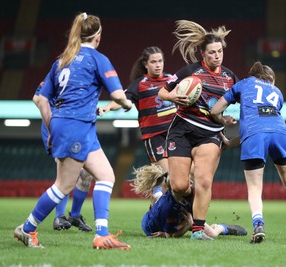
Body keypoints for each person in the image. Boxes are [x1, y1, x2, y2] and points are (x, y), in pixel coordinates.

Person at [14, 12, 132, 250]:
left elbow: (39, 100)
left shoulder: (61, 60)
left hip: (74, 126)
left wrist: (50, 129)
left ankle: (101, 234)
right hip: (76, 125)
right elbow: (119, 95)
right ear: (98, 36)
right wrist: (128, 105)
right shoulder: (98, 59)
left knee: (106, 176)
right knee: (63, 186)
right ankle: (27, 228)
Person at [210, 61, 286, 243]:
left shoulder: (244, 83)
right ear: (271, 79)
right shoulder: (277, 93)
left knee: (254, 187)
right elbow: (266, 125)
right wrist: (230, 143)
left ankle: (258, 225)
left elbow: (215, 110)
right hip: (280, 133)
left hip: (254, 134)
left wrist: (223, 121)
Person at [158, 20, 239, 240]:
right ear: (202, 54)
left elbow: (243, 100)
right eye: (212, 52)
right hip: (182, 130)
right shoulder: (190, 71)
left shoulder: (230, 78)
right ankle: (186, 198)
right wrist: (172, 96)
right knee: (180, 186)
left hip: (210, 133)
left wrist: (226, 118)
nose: (217, 56)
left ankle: (197, 230)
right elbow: (162, 93)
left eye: (220, 51)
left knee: (204, 180)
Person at [100, 47, 176, 204]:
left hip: (175, 135)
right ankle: (157, 203)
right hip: (154, 138)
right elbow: (124, 100)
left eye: (160, 61)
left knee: (176, 181)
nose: (157, 65)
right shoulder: (139, 84)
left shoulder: (171, 79)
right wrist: (108, 107)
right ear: (145, 64)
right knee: (171, 178)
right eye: (153, 62)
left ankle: (157, 199)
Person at [33, 85, 92, 232]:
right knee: (67, 174)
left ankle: (75, 215)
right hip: (58, 128)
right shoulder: (56, 75)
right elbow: (37, 98)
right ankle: (59, 217)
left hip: (75, 127)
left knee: (86, 174)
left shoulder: (80, 74)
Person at [131, 164, 247, 238]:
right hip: (152, 226)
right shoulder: (167, 209)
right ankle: (156, 190)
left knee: (211, 233)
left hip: (175, 209)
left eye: (190, 181)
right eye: (188, 181)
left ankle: (222, 227)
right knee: (158, 203)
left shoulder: (190, 192)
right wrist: (189, 225)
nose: (190, 183)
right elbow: (171, 235)